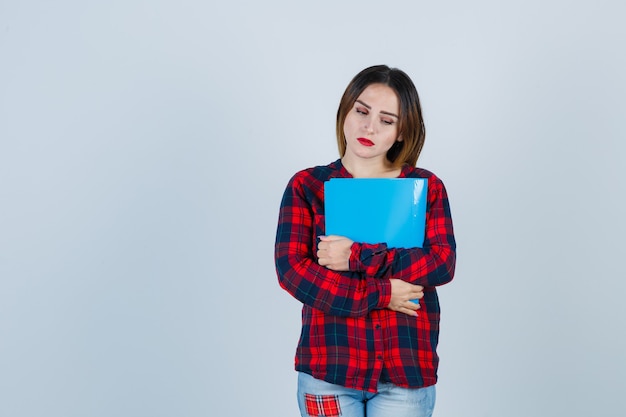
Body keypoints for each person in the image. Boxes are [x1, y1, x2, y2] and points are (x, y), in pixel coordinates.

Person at [274, 65, 456, 417]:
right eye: (361, 111)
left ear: (402, 132)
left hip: (405, 375)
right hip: (329, 371)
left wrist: (356, 256)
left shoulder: (426, 187)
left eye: (387, 120)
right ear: (346, 111)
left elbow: (442, 263)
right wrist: (384, 294)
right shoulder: (307, 187)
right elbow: (294, 273)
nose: (369, 126)